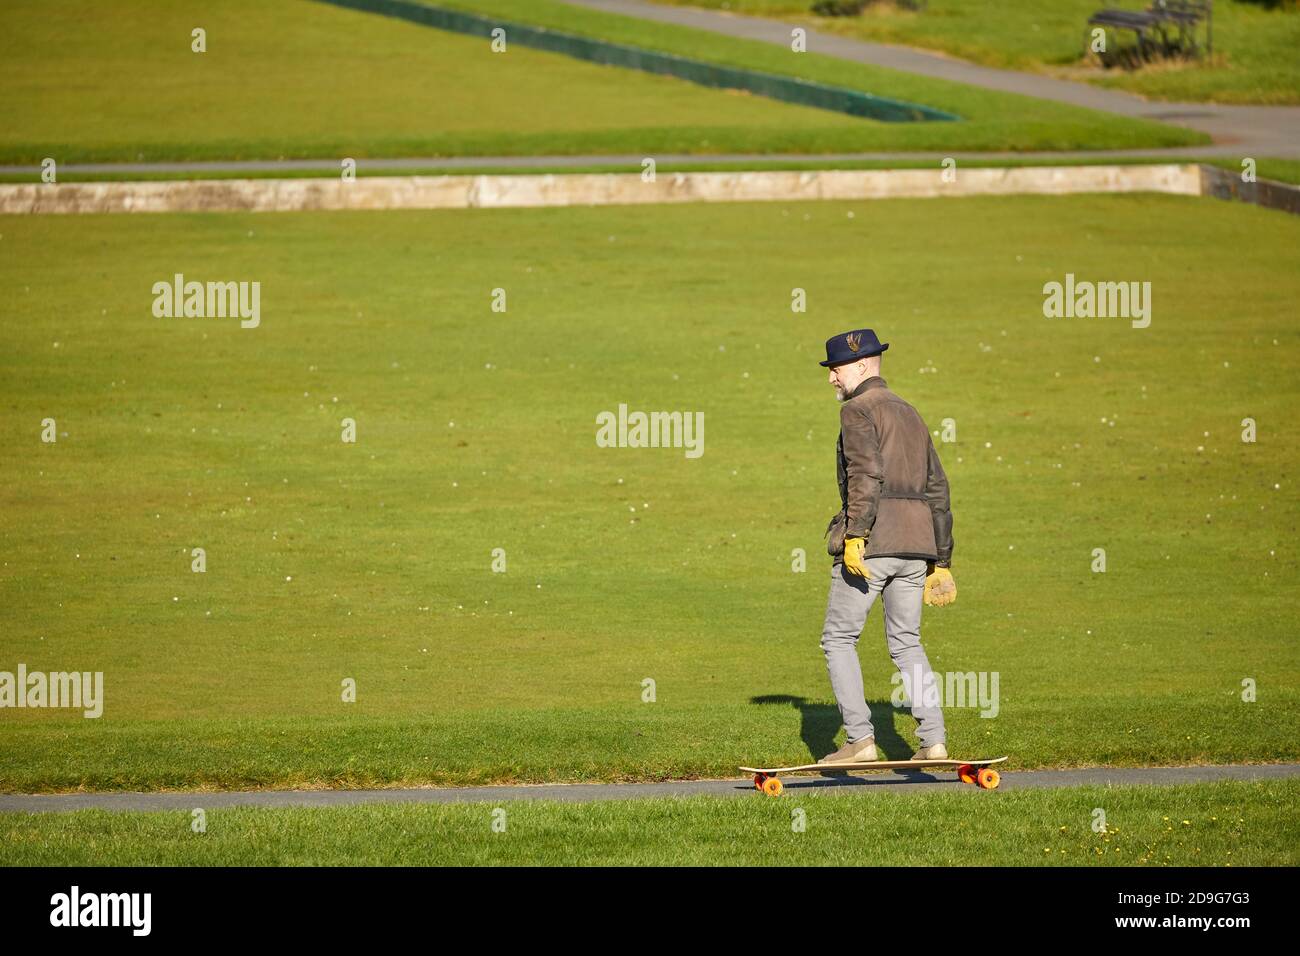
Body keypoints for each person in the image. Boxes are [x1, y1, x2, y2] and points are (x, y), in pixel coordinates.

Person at [816, 328, 957, 764]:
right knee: (906, 642)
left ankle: (860, 740)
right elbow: (938, 487)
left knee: (838, 639)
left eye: (836, 370)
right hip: (917, 545)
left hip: (874, 542)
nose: (831, 379)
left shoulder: (858, 411)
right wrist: (942, 559)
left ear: (860, 366)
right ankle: (934, 742)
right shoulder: (909, 410)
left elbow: (865, 475)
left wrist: (856, 535)